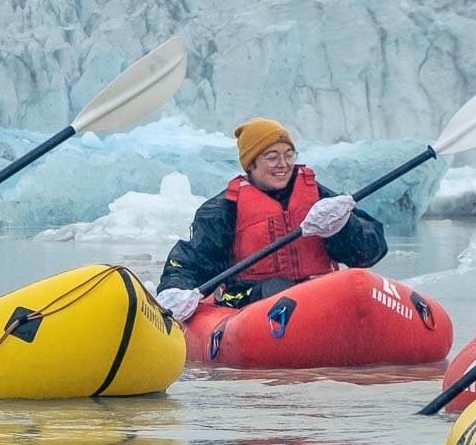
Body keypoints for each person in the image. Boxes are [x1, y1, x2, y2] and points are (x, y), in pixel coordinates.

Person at [155, 118, 387, 322]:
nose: (283, 165)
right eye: (271, 157)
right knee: (277, 291)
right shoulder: (222, 210)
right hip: (252, 300)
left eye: (289, 155)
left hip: (321, 294)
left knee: (351, 284)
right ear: (251, 164)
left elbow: (370, 252)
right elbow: (190, 262)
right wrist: (176, 289)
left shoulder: (321, 200)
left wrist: (343, 227)